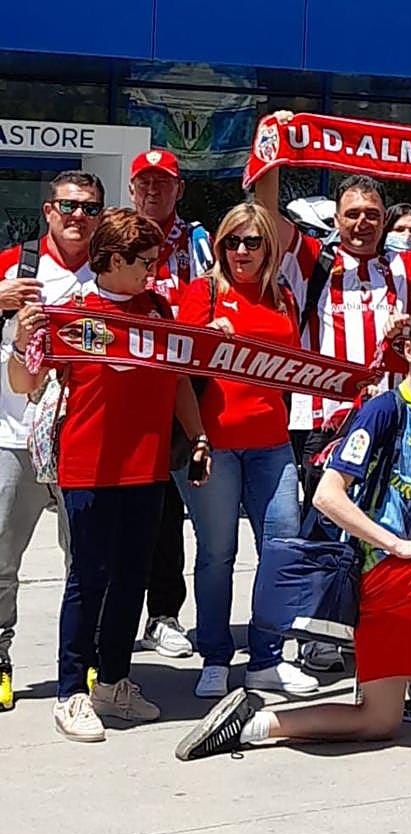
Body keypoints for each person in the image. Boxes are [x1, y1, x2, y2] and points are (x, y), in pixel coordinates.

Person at [174, 305, 411, 763]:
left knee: (377, 720)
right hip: (377, 568)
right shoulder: (384, 411)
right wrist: (398, 544)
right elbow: (328, 495)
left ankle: (252, 725)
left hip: (403, 569)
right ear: (408, 351)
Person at [255, 111, 411, 672]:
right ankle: (316, 637)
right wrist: (272, 147)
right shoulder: (312, 259)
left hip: (389, 422)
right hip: (319, 420)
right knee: (322, 529)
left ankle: (369, 630)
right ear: (337, 219)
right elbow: (267, 218)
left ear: (384, 219)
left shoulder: (407, 265)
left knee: (387, 526)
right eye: (352, 215)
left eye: (372, 214)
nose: (362, 224)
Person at [8, 208, 211, 742]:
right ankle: (70, 691)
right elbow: (25, 379)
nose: (153, 271)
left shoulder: (159, 310)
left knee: (131, 579)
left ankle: (114, 680)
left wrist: (199, 436)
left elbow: (179, 383)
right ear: (114, 260)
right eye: (145, 262)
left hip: (145, 468)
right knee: (87, 579)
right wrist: (20, 337)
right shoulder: (72, 312)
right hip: (88, 466)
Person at [174, 202, 317, 698]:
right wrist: (204, 338)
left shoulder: (283, 297)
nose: (240, 251)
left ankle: (267, 657)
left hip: (272, 443)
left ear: (268, 248)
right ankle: (214, 655)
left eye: (252, 242)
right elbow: (179, 366)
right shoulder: (204, 291)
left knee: (281, 549)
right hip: (214, 445)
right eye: (231, 241)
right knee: (217, 553)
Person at [0, 170, 102, 711]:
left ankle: (79, 660)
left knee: (81, 560)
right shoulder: (17, 266)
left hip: (83, 440)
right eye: (68, 206)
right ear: (48, 210)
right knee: (1, 555)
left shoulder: (108, 270)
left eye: (88, 208)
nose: (77, 216)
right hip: (15, 436)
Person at [129, 148, 214, 662]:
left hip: (180, 386)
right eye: (145, 182)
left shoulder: (199, 242)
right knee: (120, 509)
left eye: (164, 183)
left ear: (179, 189)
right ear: (133, 187)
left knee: (169, 508)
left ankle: (164, 614)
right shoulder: (112, 237)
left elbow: (210, 300)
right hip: (123, 388)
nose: (153, 191)